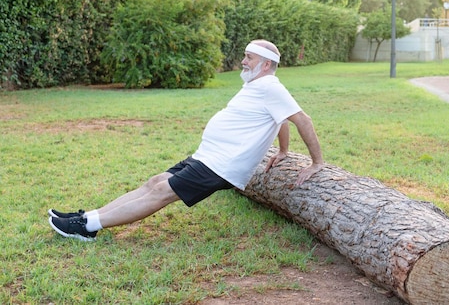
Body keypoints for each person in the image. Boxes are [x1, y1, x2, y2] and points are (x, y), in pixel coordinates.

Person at [48, 40, 325, 242]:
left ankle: (89, 227)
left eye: (248, 58)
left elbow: (302, 119)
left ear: (265, 65)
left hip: (221, 166)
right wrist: (285, 150)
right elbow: (280, 119)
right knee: (155, 181)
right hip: (207, 156)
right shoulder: (256, 86)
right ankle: (87, 218)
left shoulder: (271, 86)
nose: (243, 61)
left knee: (162, 192)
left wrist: (317, 163)